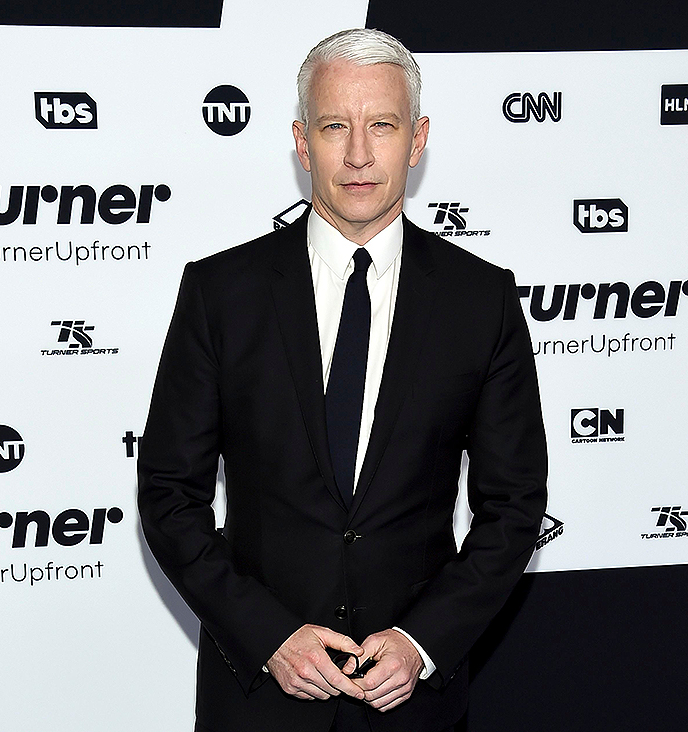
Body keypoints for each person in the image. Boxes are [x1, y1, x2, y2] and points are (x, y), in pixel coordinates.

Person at [138, 28, 547, 732]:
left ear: (417, 141)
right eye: (335, 126)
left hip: (411, 705)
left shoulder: (481, 300)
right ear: (302, 143)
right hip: (259, 700)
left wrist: (423, 644)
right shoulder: (220, 293)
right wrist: (267, 636)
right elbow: (170, 496)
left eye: (381, 126)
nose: (358, 154)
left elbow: (513, 508)